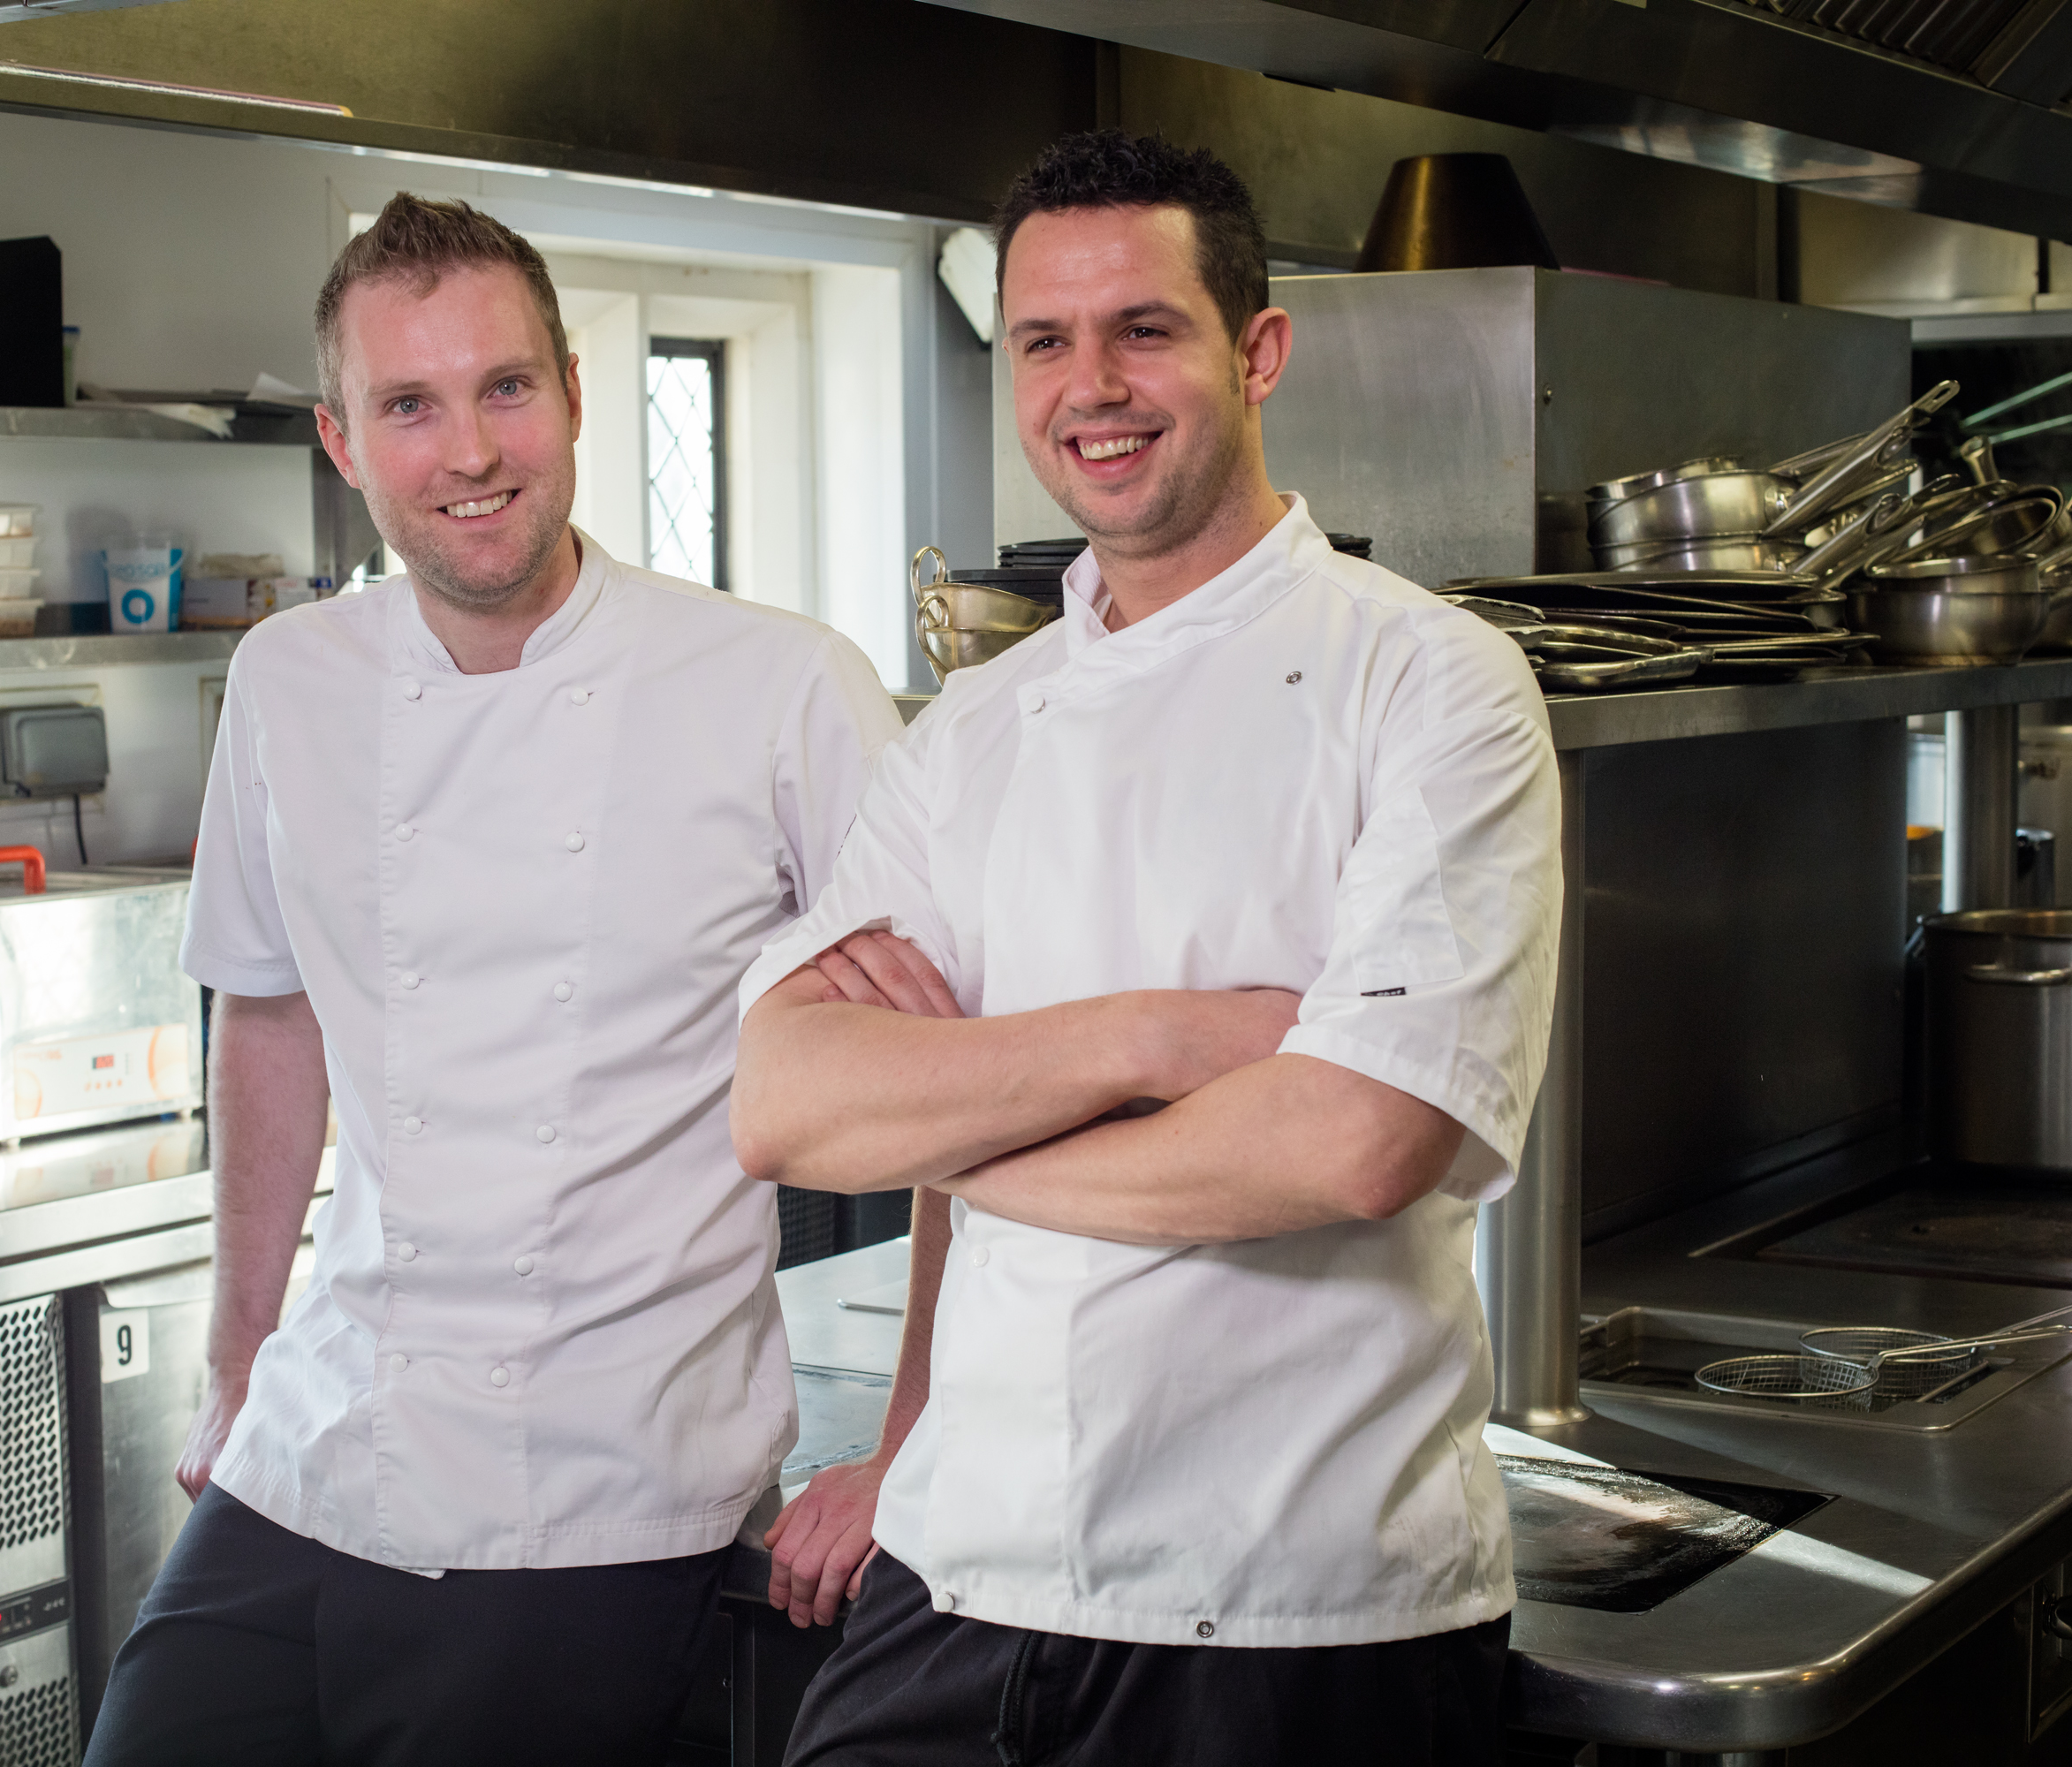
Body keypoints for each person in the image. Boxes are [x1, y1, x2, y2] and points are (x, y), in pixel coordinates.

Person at [733, 132, 1562, 1766]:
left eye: (1145, 330)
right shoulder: (973, 728)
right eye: (1044, 340)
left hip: (1297, 1614)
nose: (1089, 385)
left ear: (1257, 352)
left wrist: (966, 1124)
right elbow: (788, 1106)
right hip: (959, 1580)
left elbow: (1358, 1138)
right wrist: (1160, 1043)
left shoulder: (1435, 686)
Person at [81, 193, 900, 1767]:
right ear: (342, 439)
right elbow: (268, 1013)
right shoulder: (287, 679)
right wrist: (236, 1360)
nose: (468, 452)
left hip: (605, 1470)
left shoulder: (784, 688)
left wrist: (913, 1442)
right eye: (411, 405)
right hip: (320, 1434)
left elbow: (956, 1081)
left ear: (576, 391)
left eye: (505, 388)